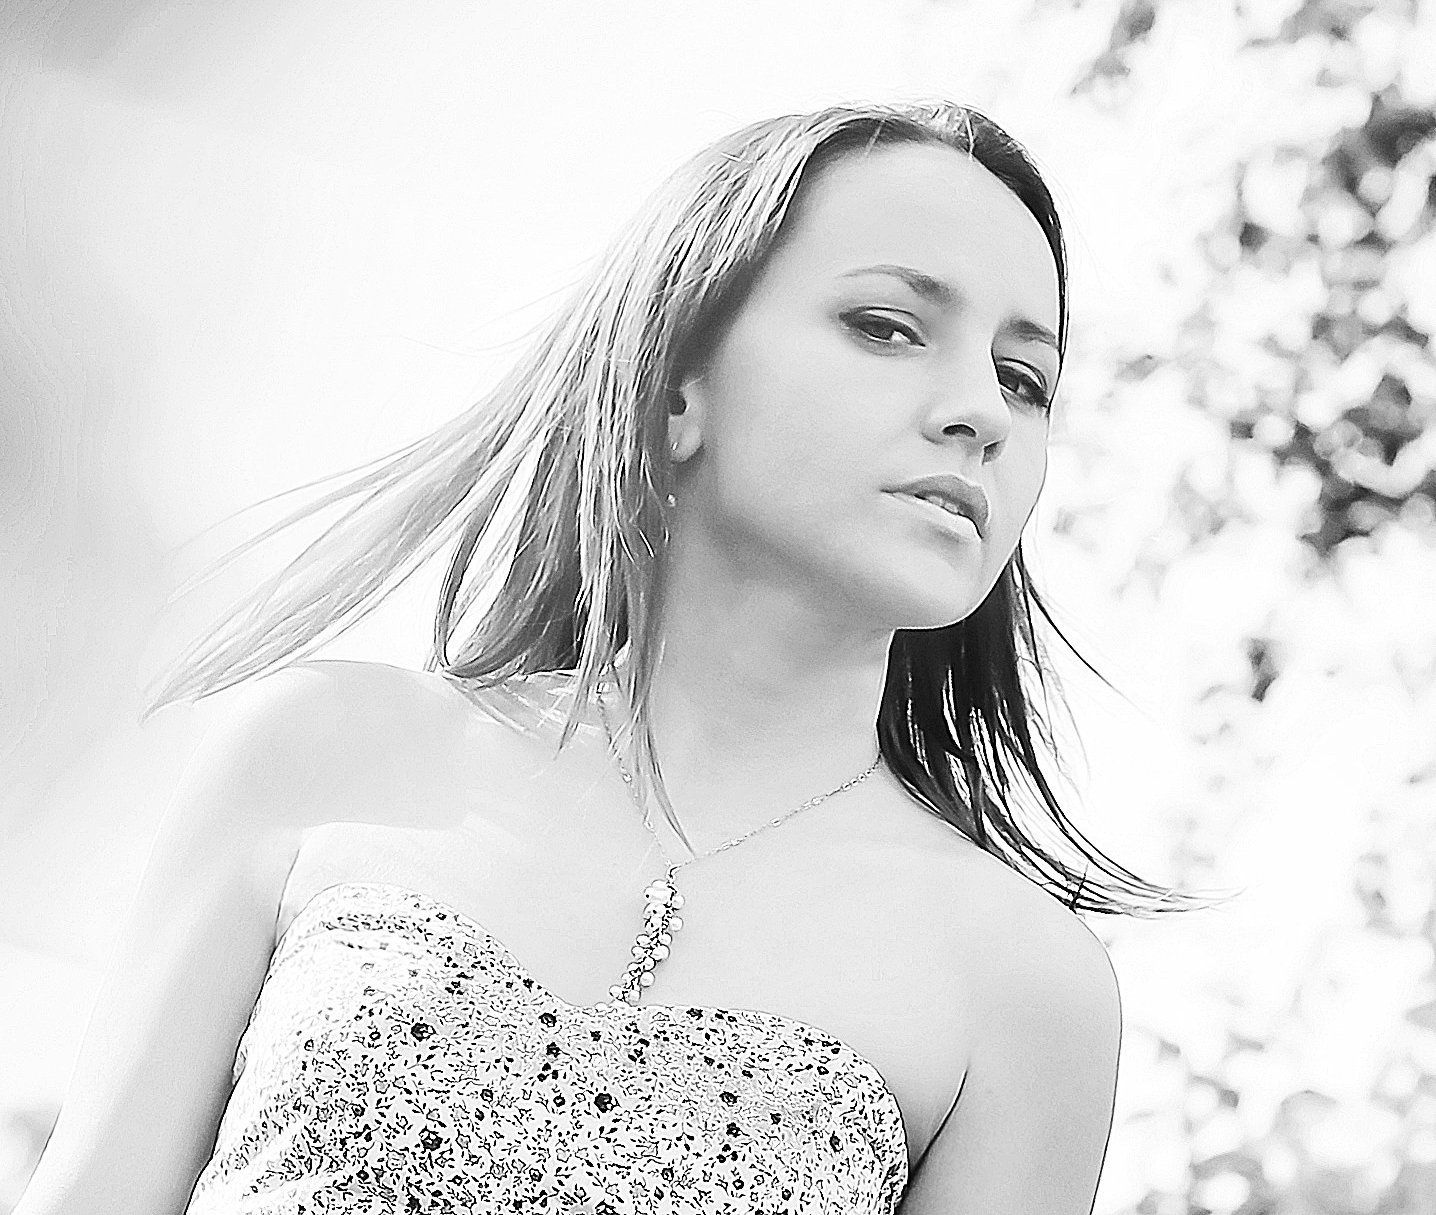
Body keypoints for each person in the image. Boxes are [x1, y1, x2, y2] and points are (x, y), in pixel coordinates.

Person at [17, 101, 1200, 1215]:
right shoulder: (320, 751)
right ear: (677, 385)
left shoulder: (1024, 987)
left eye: (1023, 379)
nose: (978, 411)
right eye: (886, 326)